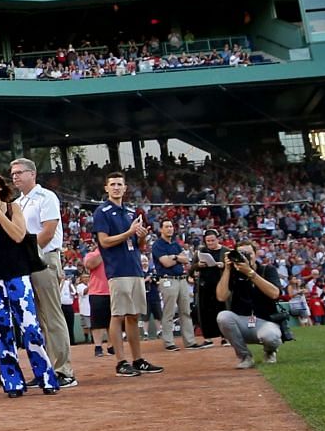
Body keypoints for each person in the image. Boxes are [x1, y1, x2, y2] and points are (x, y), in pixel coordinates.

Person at [0, 171, 59, 398]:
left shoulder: (14, 208)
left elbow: (18, 236)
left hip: (17, 274)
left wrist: (0, 213)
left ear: (1, 186)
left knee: (30, 327)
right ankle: (13, 382)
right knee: (2, 331)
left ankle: (46, 377)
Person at [10, 157, 76, 387]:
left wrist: (25, 253)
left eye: (19, 172)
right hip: (27, 261)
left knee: (52, 315)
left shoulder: (46, 197)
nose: (15, 176)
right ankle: (46, 369)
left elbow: (48, 231)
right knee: (36, 318)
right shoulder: (18, 203)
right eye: (13, 174)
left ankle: (63, 369)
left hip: (44, 258)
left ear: (32, 174)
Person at [91, 172, 161, 378]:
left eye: (119, 184)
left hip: (135, 267)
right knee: (118, 314)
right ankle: (120, 361)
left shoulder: (131, 211)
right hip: (117, 269)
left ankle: (138, 359)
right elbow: (103, 241)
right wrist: (130, 233)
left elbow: (139, 246)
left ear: (125, 187)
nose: (115, 187)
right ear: (106, 188)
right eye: (112, 184)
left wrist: (142, 237)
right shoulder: (102, 211)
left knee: (133, 315)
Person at [215, 242, 284, 367]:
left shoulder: (267, 270)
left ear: (255, 254)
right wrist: (227, 269)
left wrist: (250, 273)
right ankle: (245, 357)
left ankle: (269, 352)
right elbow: (221, 296)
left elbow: (275, 294)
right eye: (241, 254)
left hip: (266, 321)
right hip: (242, 321)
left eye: (248, 254)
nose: (245, 257)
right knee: (223, 316)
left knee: (271, 337)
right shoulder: (233, 273)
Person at [150, 218, 204, 350]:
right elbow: (166, 263)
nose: (170, 229)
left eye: (171, 226)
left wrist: (174, 257)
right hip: (167, 279)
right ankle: (169, 342)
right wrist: (176, 258)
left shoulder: (175, 244)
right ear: (161, 229)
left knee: (185, 311)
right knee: (169, 312)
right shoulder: (157, 245)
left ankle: (190, 342)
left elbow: (186, 259)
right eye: (167, 226)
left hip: (181, 279)